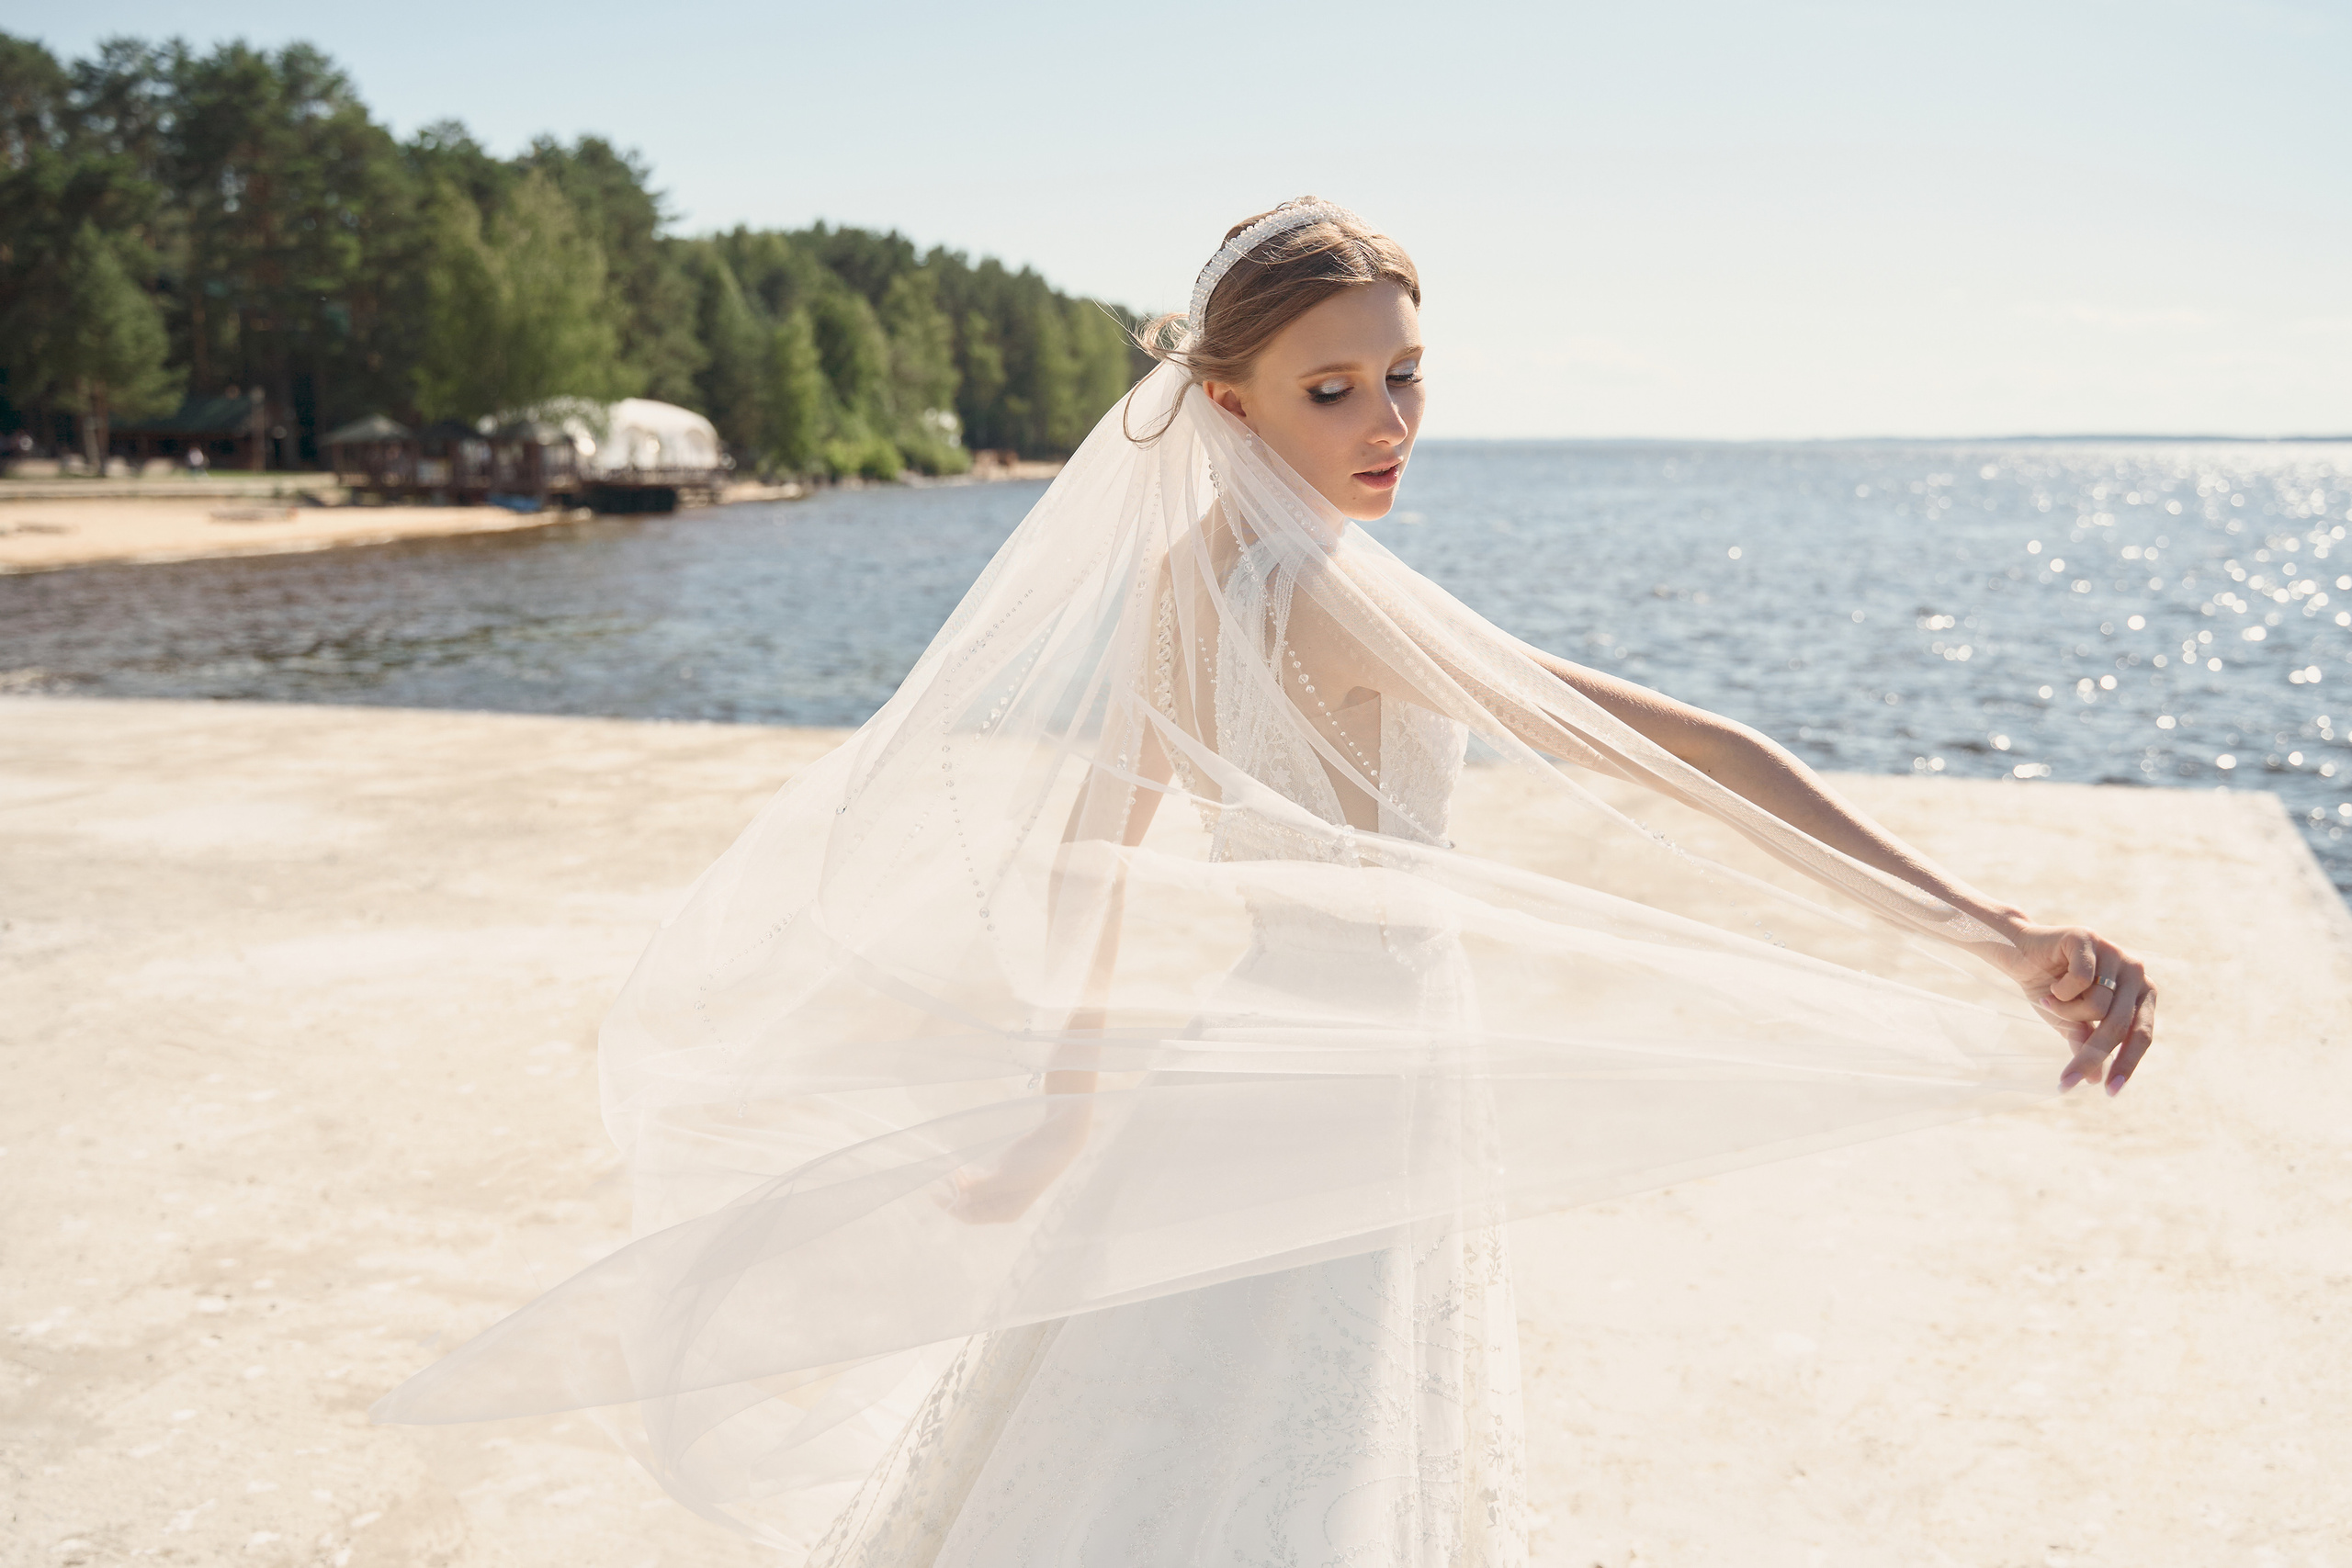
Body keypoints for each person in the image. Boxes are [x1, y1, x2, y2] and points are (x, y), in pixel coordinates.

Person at [377, 199, 2154, 1564]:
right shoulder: (1330, 591)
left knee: (1151, 1441)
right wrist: (1992, 934)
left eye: (1406, 376)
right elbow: (1689, 749)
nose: (1388, 423)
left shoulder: (1187, 580)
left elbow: (1092, 854)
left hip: (1242, 1064)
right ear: (1225, 400)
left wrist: (1071, 1116)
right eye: (1334, 389)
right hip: (1363, 1087)